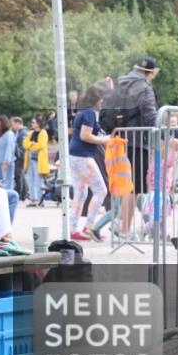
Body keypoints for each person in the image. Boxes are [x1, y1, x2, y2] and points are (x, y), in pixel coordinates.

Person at [111, 57, 160, 208]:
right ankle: (122, 226)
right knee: (136, 188)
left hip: (118, 141)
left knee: (127, 186)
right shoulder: (144, 88)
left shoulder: (120, 84)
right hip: (138, 142)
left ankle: (148, 227)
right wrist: (164, 132)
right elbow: (150, 116)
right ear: (150, 73)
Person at [69, 85, 112, 241]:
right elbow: (85, 136)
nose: (102, 101)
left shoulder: (84, 112)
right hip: (83, 156)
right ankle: (89, 227)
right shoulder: (89, 113)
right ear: (96, 99)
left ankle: (74, 229)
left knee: (80, 194)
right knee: (101, 190)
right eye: (101, 98)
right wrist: (105, 140)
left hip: (75, 156)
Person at [22, 115, 50, 205]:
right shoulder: (31, 133)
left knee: (38, 180)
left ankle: (39, 199)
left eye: (33, 122)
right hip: (30, 160)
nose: (32, 124)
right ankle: (33, 199)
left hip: (39, 160)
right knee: (30, 179)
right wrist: (32, 144)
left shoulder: (43, 133)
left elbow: (41, 145)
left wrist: (31, 145)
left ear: (38, 123)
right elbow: (25, 144)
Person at [0, 116, 16, 192]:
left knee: (7, 183)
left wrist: (7, 161)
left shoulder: (9, 134)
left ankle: (9, 200)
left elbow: (10, 148)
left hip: (6, 162)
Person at [10, 118, 28, 201]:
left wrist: (19, 156)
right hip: (19, 157)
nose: (12, 126)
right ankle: (23, 193)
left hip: (20, 158)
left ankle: (22, 194)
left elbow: (22, 147)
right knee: (20, 176)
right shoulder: (18, 132)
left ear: (18, 123)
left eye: (13, 123)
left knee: (19, 176)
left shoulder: (23, 133)